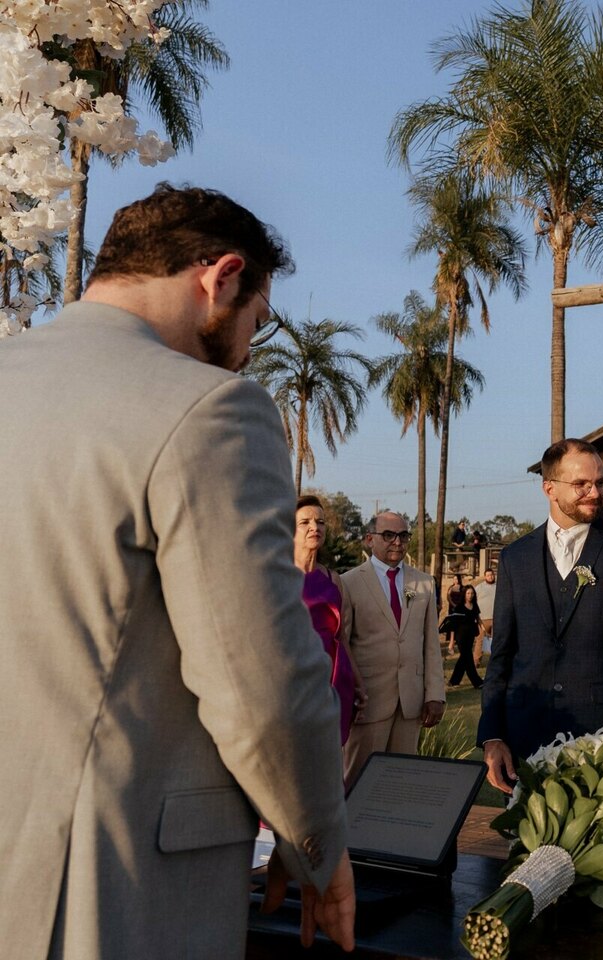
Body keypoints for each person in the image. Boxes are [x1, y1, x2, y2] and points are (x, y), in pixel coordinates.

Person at [0, 184, 354, 956]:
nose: (251, 347)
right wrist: (316, 848)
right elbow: (260, 680)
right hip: (105, 882)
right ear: (221, 277)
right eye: (258, 320)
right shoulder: (212, 411)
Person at [477, 439, 603, 791]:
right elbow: (502, 654)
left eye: (600, 483)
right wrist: (492, 735)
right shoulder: (515, 557)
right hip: (523, 738)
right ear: (549, 488)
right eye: (581, 484)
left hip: (602, 739)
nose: (594, 492)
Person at [339, 511, 445, 785]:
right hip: (368, 704)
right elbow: (343, 645)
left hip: (410, 704)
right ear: (369, 539)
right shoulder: (348, 583)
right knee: (358, 783)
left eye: (403, 535)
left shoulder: (422, 583)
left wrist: (435, 694)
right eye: (388, 535)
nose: (397, 542)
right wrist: (349, 695)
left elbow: (430, 643)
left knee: (402, 783)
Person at [296, 495, 360, 743]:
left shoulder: (334, 579)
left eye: (320, 522)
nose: (315, 527)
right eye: (305, 522)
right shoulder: (276, 576)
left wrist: (358, 682)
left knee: (331, 756)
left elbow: (341, 636)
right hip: (297, 681)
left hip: (335, 679)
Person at [446, 585, 484, 690]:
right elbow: (453, 625)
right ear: (464, 594)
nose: (470, 595)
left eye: (472, 593)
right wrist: (452, 641)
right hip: (460, 635)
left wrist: (483, 629)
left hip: (471, 635)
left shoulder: (474, 605)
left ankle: (454, 681)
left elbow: (478, 618)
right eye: (468, 593)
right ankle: (477, 682)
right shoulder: (459, 607)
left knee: (464, 658)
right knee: (468, 658)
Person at [476, 566, 498, 656]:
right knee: (480, 641)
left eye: (492, 575)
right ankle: (476, 662)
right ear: (485, 577)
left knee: (496, 642)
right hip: (483, 619)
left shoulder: (499, 587)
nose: (490, 577)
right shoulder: (479, 587)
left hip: (496, 618)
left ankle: (494, 661)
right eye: (488, 575)